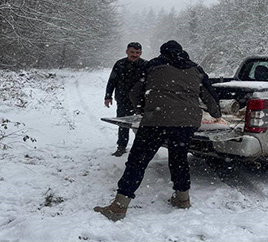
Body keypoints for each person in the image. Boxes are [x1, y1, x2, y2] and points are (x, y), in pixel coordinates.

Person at [94, 40, 221, 221]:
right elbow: (210, 96)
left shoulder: (153, 65)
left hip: (156, 121)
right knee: (179, 159)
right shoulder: (196, 69)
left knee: (137, 161)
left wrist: (145, 110)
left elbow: (134, 93)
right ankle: (182, 199)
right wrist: (216, 114)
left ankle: (119, 206)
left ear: (163, 53)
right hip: (186, 123)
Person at [104, 41, 146, 157]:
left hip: (141, 101)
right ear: (127, 52)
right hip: (123, 99)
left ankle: (141, 147)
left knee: (142, 125)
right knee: (123, 125)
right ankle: (121, 146)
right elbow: (112, 81)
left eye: (137, 52)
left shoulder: (145, 65)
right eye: (132, 52)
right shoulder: (120, 64)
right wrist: (108, 96)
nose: (134, 54)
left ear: (141, 53)